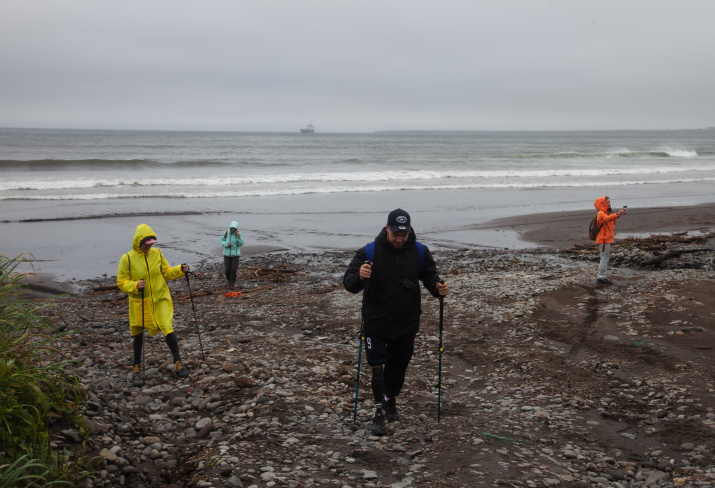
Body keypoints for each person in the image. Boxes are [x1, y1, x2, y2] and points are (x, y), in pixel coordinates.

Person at [343, 208, 449, 436]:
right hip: (376, 322)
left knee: (398, 368)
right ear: (387, 228)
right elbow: (349, 284)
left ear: (409, 230)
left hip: (406, 322)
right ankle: (379, 413)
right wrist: (360, 276)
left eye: (404, 234)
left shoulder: (419, 251)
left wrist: (438, 287)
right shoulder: (369, 252)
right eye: (396, 234)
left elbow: (430, 276)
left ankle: (390, 397)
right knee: (378, 368)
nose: (400, 239)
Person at [117, 223, 190, 383]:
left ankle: (178, 362)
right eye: (146, 244)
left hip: (160, 298)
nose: (148, 248)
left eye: (151, 245)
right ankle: (136, 365)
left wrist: (180, 269)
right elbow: (122, 282)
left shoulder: (157, 254)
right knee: (137, 333)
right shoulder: (127, 259)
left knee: (167, 327)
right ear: (139, 242)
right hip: (140, 301)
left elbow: (167, 273)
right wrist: (135, 286)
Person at [594, 196, 627, 285]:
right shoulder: (601, 213)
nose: (609, 204)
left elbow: (611, 221)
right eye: (607, 202)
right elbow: (606, 219)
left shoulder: (606, 213)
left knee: (605, 257)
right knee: (604, 258)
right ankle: (601, 277)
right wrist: (618, 214)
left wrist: (618, 214)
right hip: (603, 239)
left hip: (606, 239)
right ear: (603, 203)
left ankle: (601, 276)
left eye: (609, 202)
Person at [220, 221, 244, 289]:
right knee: (227, 269)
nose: (233, 229)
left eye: (234, 228)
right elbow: (221, 241)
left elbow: (241, 244)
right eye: (232, 228)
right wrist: (226, 244)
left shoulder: (239, 234)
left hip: (235, 254)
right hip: (227, 254)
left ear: (236, 228)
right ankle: (229, 281)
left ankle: (232, 283)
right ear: (230, 227)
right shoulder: (226, 233)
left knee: (233, 269)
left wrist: (237, 237)